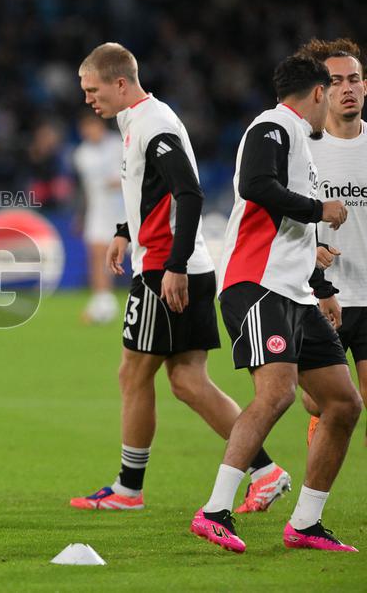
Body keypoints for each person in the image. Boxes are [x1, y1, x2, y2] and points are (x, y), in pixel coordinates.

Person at [71, 43, 289, 513]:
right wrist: (125, 231)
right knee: (188, 381)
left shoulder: (154, 124)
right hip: (177, 265)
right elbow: (155, 192)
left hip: (166, 272)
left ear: (121, 83)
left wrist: (173, 264)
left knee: (132, 373)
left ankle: (129, 488)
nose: (89, 99)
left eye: (93, 90)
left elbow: (189, 192)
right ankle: (266, 471)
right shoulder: (137, 121)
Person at [192, 55, 361, 553]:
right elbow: (255, 188)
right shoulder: (272, 126)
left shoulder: (299, 145)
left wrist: (319, 284)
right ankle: (215, 511)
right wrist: (319, 209)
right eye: (329, 90)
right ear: (316, 93)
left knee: (343, 403)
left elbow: (291, 231)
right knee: (278, 393)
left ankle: (305, 524)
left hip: (295, 292)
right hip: (256, 284)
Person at [296, 38, 367, 446]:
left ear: (364, 86)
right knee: (316, 400)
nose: (347, 88)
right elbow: (285, 217)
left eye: (354, 79)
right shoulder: (305, 148)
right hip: (324, 297)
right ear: (321, 90)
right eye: (336, 80)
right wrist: (311, 251)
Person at [72, 110, 124, 324]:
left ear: (100, 127)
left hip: (123, 210)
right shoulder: (81, 154)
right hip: (98, 210)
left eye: (92, 127)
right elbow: (85, 188)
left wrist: (119, 182)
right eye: (85, 129)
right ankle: (103, 302)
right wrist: (81, 214)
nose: (89, 132)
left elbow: (137, 173)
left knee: (136, 256)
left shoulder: (118, 145)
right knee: (96, 254)